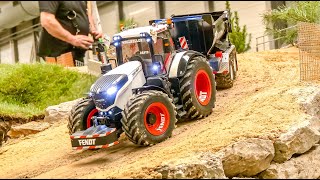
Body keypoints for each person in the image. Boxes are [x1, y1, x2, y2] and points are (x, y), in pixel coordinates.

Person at [37, 1, 103, 65]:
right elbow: (47, 21)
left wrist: (91, 29)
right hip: (59, 55)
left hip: (76, 53)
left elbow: (83, 13)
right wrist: (72, 39)